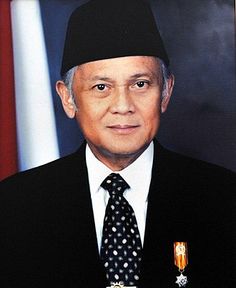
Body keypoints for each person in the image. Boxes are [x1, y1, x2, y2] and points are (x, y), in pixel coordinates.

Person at [0, 0, 235, 287]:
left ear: (166, 92)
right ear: (68, 98)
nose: (123, 106)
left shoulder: (223, 199)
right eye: (101, 87)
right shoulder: (14, 207)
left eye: (140, 84)